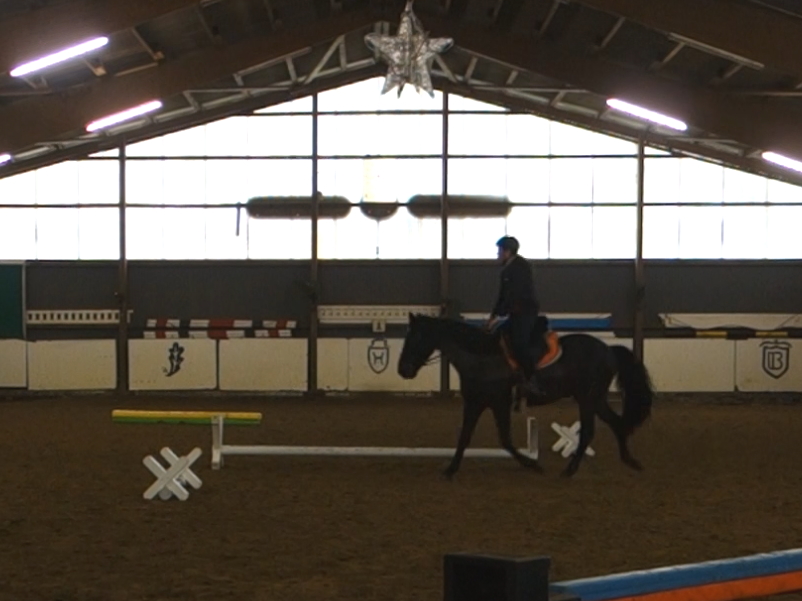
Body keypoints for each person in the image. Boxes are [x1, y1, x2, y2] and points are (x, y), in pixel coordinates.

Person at [485, 236, 545, 397]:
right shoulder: (507, 269)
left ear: (507, 252)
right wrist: (493, 316)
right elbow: (502, 296)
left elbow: (514, 294)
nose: (497, 254)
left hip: (525, 312)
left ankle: (531, 379)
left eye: (499, 251)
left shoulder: (520, 267)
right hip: (514, 313)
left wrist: (500, 314)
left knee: (519, 343)